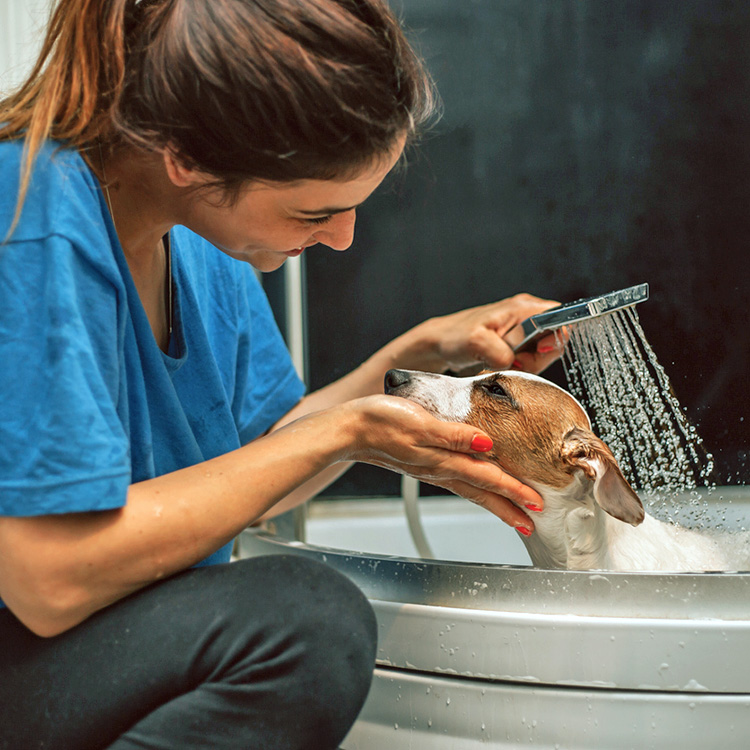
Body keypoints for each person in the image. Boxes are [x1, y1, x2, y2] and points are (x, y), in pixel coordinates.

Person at [0, 0, 561, 748]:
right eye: (312, 214)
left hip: (74, 651)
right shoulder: (29, 223)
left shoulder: (195, 235)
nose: (341, 238)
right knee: (304, 622)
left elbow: (257, 470)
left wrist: (409, 363)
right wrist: (346, 430)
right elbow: (48, 579)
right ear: (189, 161)